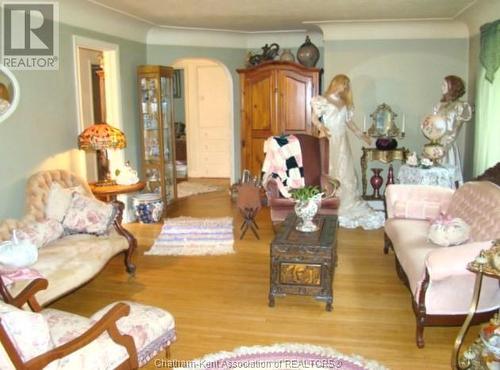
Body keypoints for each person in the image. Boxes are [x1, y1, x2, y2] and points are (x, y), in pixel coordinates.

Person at [311, 74, 385, 230]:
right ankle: (329, 203)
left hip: (342, 141)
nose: (345, 87)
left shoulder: (345, 102)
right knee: (329, 170)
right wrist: (321, 127)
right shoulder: (322, 100)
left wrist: (362, 135)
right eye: (343, 84)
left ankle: (346, 202)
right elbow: (314, 118)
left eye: (346, 85)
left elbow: (349, 123)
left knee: (345, 172)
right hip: (328, 139)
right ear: (336, 83)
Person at [432, 75, 472, 185]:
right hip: (436, 143)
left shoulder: (459, 106)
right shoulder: (438, 106)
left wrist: (446, 142)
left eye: (444, 85)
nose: (441, 87)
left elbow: (456, 128)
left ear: (452, 87)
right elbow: (434, 125)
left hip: (448, 146)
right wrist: (434, 140)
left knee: (447, 175)